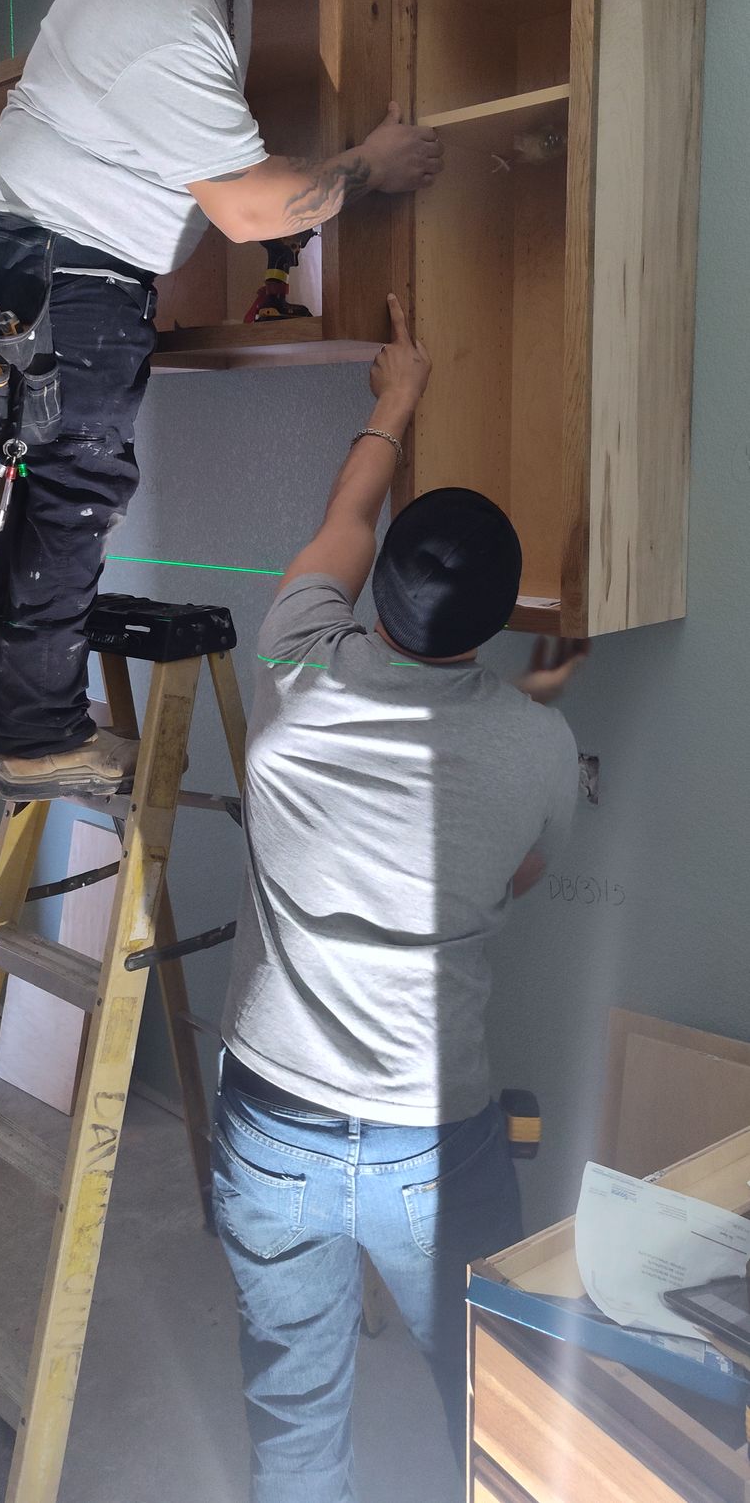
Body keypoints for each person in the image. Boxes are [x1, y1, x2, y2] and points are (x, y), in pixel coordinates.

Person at [0, 0, 440, 801]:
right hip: (64, 276)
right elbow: (255, 213)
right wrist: (368, 166)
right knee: (74, 502)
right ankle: (39, 736)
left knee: (40, 499)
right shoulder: (164, 29)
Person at [213, 293, 586, 1502]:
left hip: (271, 1124)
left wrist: (399, 396)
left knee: (293, 1403)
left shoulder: (293, 659)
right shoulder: (534, 748)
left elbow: (345, 517)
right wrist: (528, 708)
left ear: (375, 598)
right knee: (490, 1390)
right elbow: (517, 869)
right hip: (435, 1139)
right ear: (492, 629)